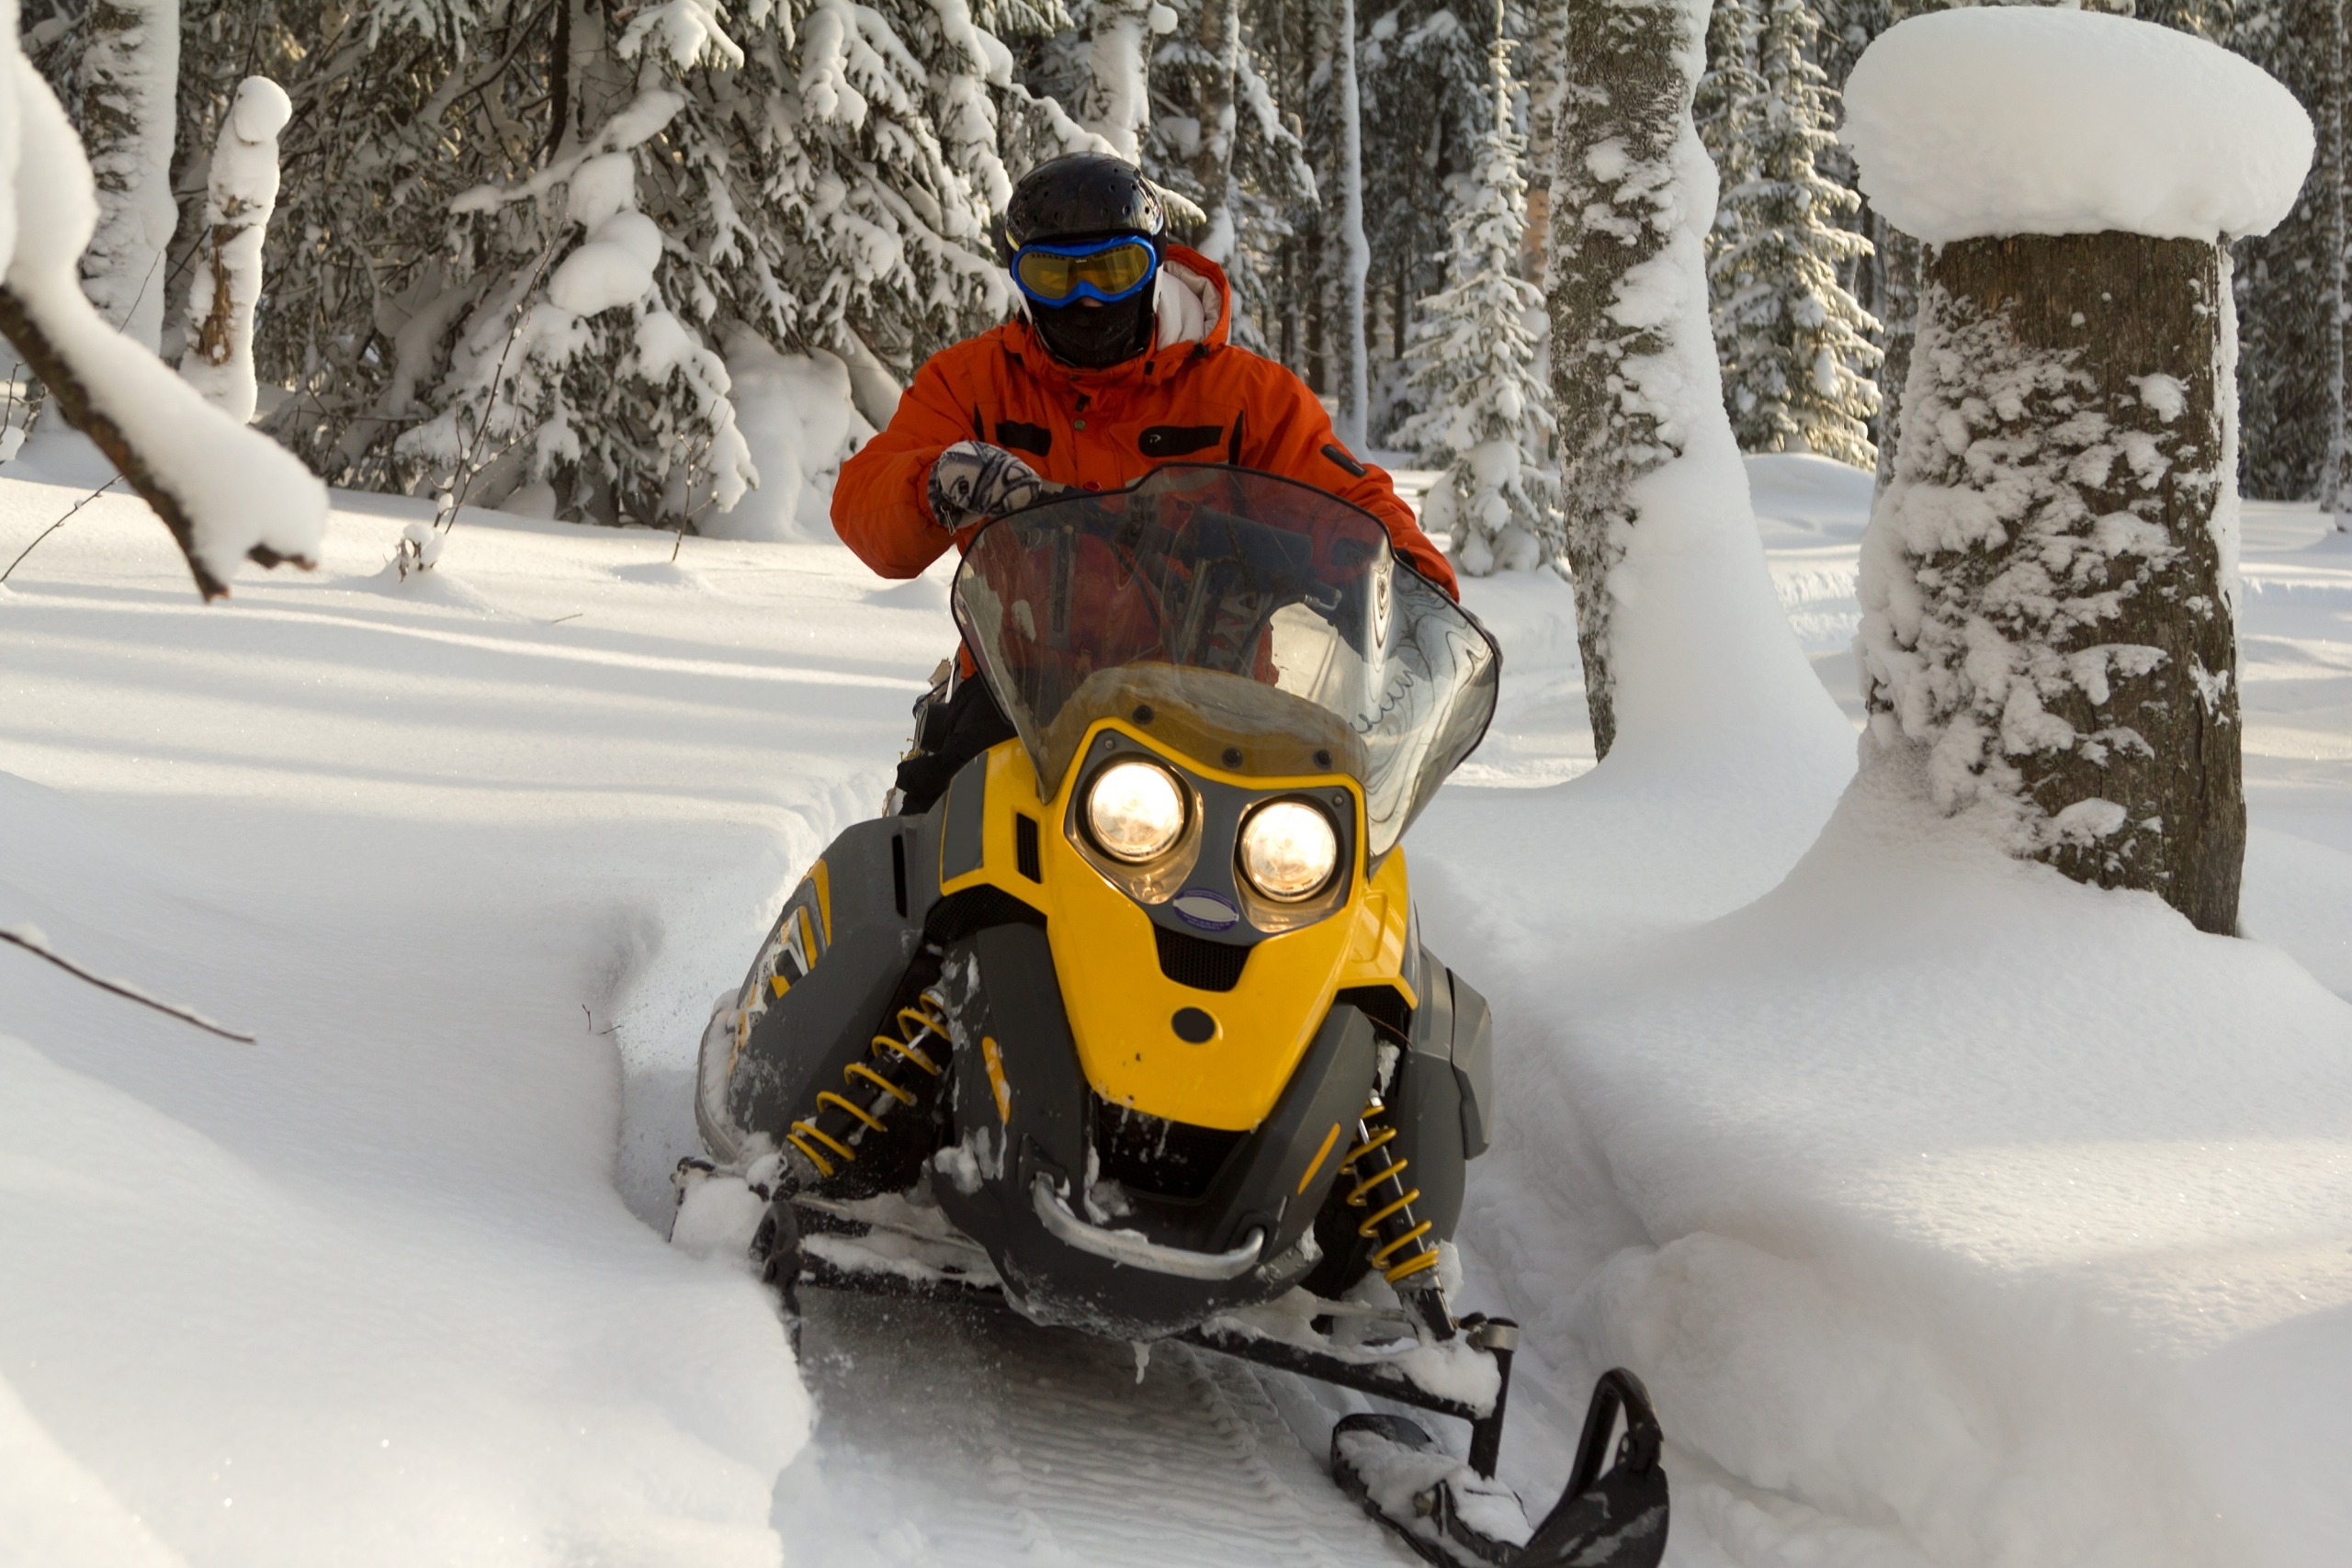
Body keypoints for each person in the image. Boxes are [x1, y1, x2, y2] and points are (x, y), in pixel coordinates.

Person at [832, 152, 1458, 810]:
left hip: (1217, 705)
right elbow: (867, 507)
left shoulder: (1246, 397)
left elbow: (1354, 501)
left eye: (1112, 269)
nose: (1087, 299)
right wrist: (934, 480)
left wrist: (1412, 594)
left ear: (1154, 265)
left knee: (1313, 873)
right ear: (1021, 279)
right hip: (1020, 696)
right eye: (1054, 277)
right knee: (931, 862)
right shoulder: (974, 383)